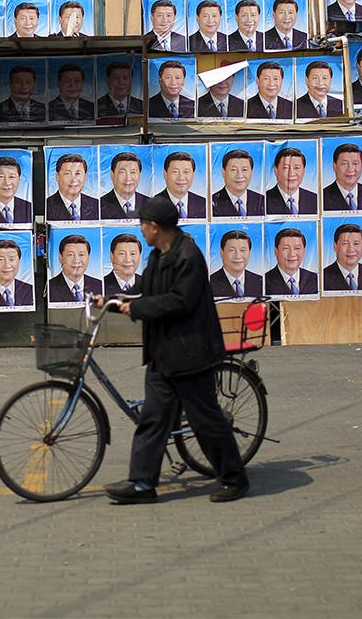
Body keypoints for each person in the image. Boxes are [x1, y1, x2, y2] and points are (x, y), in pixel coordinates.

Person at [100, 195, 249, 504]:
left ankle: (235, 479)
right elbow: (146, 293)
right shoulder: (157, 255)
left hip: (191, 354)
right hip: (162, 355)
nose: (140, 230)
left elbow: (179, 302)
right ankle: (142, 484)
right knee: (153, 421)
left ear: (155, 227)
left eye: (143, 224)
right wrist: (112, 301)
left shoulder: (188, 256)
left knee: (206, 422)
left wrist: (137, 308)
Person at [0, 238, 34, 308]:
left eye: (12, 259)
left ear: (19, 262)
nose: (7, 265)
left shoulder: (29, 290)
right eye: (1, 259)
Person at [48, 233, 102, 304]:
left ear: (88, 257)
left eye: (81, 255)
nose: (76, 261)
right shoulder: (50, 287)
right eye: (70, 255)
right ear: (60, 257)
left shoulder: (99, 285)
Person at [45, 153, 99, 222]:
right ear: (57, 177)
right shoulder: (46, 206)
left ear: (85, 177)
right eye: (67, 173)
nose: (73, 179)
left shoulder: (97, 205)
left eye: (78, 173)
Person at [324, 222, 362, 293]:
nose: (351, 249)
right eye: (345, 243)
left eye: (356, 243)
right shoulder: (323, 276)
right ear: (335, 246)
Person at [211, 149, 264, 218]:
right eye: (234, 170)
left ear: (251, 172)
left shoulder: (262, 200)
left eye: (244, 170)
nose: (239, 175)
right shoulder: (212, 202)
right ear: (223, 172)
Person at [264, 227, 316, 297]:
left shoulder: (315, 279)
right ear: (276, 251)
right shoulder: (264, 281)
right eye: (286, 248)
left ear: (304, 251)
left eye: (297, 248)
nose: (292, 254)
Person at [323, 143, 362, 211]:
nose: (350, 169)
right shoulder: (323, 197)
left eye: (355, 163)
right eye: (344, 164)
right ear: (334, 166)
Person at [266, 146, 317, 215]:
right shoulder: (264, 200)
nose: (291, 173)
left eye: (296, 168)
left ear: (304, 171)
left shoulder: (315, 199)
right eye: (286, 168)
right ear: (276, 171)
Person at [154, 151, 206, 219]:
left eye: (186, 172)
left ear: (193, 175)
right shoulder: (153, 204)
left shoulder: (204, 204)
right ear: (165, 174)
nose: (181, 177)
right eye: (175, 172)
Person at [210, 229, 260, 299]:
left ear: (249, 252)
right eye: (231, 250)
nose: (238, 256)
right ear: (222, 252)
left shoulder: (260, 281)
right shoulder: (209, 283)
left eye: (242, 250)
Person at [99, 151, 148, 220]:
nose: (128, 178)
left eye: (133, 172)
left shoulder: (149, 204)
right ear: (112, 175)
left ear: (140, 175)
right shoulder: (99, 205)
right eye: (122, 172)